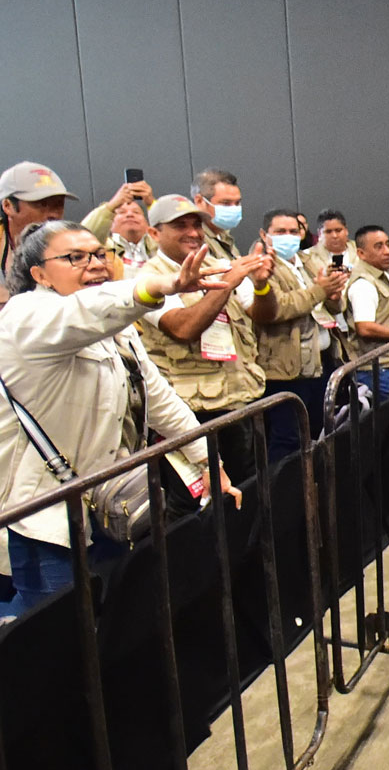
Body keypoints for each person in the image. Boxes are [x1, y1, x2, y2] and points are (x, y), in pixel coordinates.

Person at [0, 221, 235, 617]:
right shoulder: (26, 317)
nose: (93, 264)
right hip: (46, 520)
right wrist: (156, 286)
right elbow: (81, 314)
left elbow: (158, 397)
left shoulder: (114, 326)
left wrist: (209, 461)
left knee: (109, 620)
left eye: (98, 254)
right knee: (55, 632)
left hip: (106, 505)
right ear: (38, 274)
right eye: (74, 257)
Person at [138, 195, 275, 493]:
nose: (193, 232)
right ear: (154, 233)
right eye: (180, 225)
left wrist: (263, 285)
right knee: (203, 508)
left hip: (240, 401)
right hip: (192, 415)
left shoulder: (219, 265)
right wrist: (229, 283)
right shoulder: (147, 279)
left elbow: (263, 315)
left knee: (249, 494)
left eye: (196, 224)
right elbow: (183, 327)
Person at [255, 208, 347, 458]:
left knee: (317, 431)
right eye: (280, 231)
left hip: (320, 361)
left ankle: (311, 486)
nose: (289, 236)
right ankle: (287, 494)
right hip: (286, 368)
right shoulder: (264, 268)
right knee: (288, 439)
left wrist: (334, 297)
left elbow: (332, 305)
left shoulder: (309, 262)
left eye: (293, 231)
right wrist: (320, 291)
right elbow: (278, 308)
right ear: (265, 235)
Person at [346, 225, 389, 401]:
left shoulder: (384, 274)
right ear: (361, 253)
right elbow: (365, 328)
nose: (387, 251)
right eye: (378, 246)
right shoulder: (363, 285)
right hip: (375, 368)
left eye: (387, 244)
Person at [0, 162, 79, 308]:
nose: (53, 214)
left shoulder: (77, 248)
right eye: (41, 204)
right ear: (8, 206)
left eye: (58, 204)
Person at [191, 168, 244, 262]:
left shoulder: (223, 235)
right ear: (199, 201)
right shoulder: (194, 239)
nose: (234, 208)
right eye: (225, 203)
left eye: (237, 203)